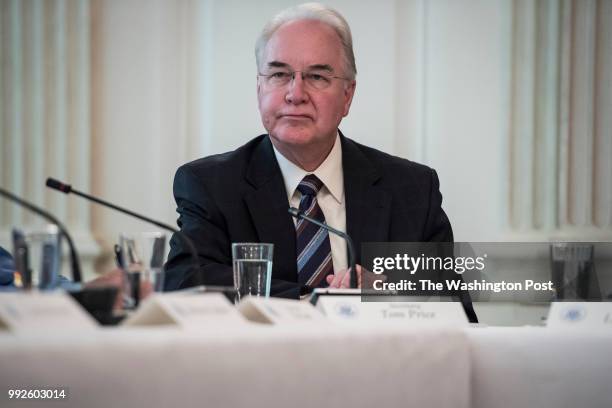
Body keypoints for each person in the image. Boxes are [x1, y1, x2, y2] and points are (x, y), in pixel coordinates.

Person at [164, 3, 477, 322]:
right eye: (278, 74)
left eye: (316, 76)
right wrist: (315, 301)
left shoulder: (411, 190)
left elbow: (458, 310)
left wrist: (385, 293)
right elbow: (185, 283)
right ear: (259, 88)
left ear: (347, 95)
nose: (295, 93)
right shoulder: (211, 185)